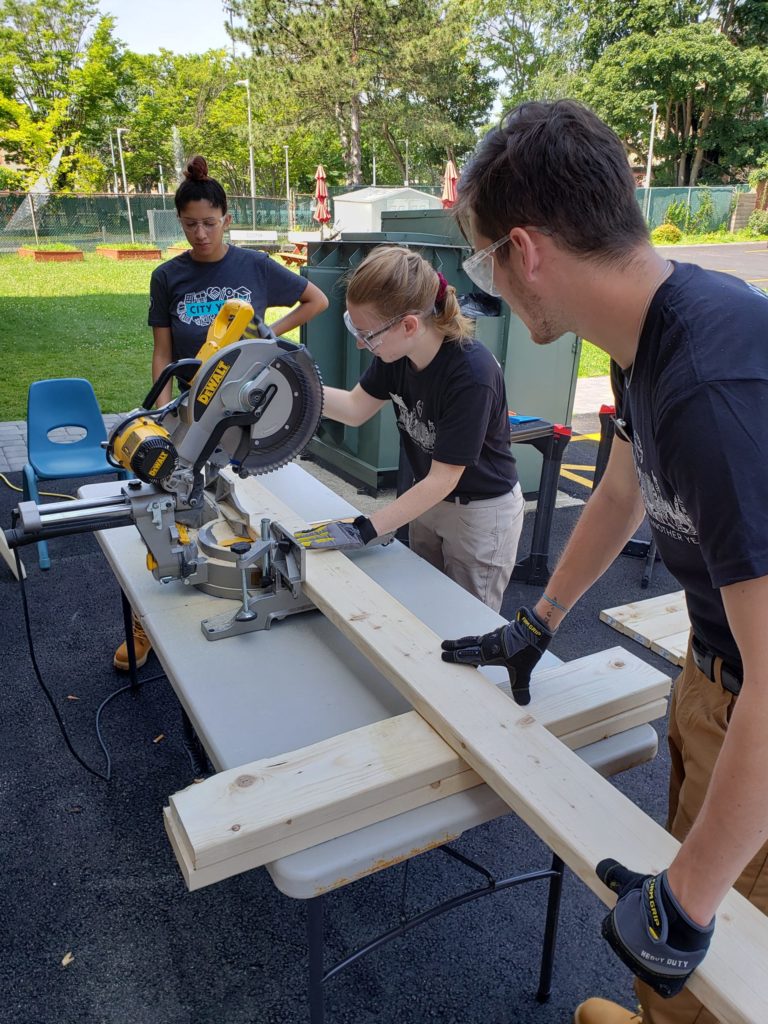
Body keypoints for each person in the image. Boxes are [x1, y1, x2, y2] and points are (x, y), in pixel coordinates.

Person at [440, 99, 768, 1024]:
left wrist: (689, 898)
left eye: (484, 263)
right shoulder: (643, 337)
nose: (490, 287)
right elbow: (621, 494)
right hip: (716, 676)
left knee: (724, 965)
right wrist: (536, 626)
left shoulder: (714, 381)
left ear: (526, 250)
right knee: (674, 935)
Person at [113, 155, 328, 670]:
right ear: (180, 222)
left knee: (242, 510)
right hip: (193, 408)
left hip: (247, 414)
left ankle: (248, 602)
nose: (201, 233)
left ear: (226, 218)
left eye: (210, 223)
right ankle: (146, 624)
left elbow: (316, 299)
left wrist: (271, 338)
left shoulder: (253, 266)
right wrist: (167, 411)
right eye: (190, 225)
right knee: (169, 509)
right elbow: (164, 353)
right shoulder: (168, 275)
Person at [295, 245, 524, 613]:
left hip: (480, 512)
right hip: (428, 501)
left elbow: (444, 478)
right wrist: (295, 390)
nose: (360, 342)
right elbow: (355, 409)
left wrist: (366, 527)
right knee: (423, 606)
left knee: (465, 620)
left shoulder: (471, 374)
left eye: (367, 333)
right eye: (355, 328)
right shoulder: (395, 353)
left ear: (409, 325)